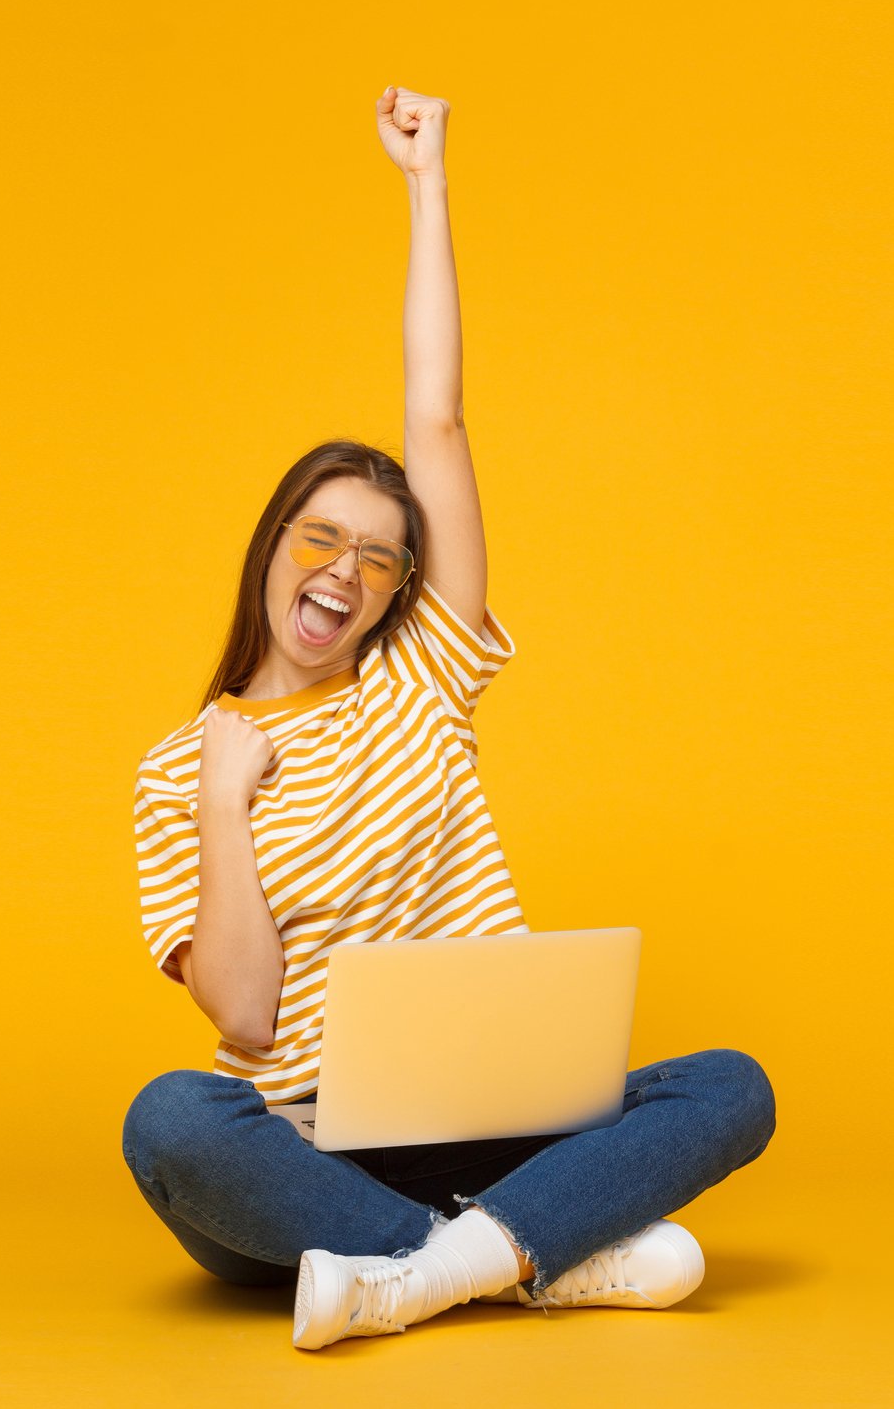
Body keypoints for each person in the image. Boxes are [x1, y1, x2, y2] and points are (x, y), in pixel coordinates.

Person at [123, 85, 777, 1351]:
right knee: (172, 1123)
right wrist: (221, 796)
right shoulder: (176, 771)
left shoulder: (420, 676)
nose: (344, 572)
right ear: (272, 545)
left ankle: (420, 1273)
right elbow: (244, 1021)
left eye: (378, 558)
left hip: (501, 1125)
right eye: (321, 538)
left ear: (398, 594)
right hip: (304, 1152)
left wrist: (426, 184)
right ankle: (536, 1252)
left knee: (731, 1087)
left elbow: (438, 414)